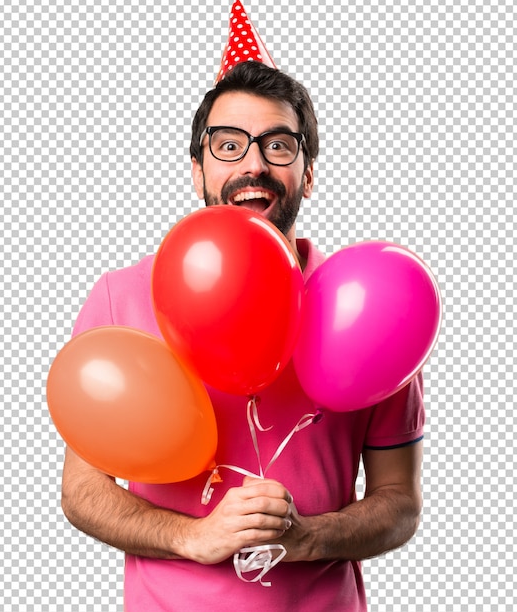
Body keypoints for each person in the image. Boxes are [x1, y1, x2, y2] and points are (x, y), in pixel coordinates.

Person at [60, 59, 425, 611]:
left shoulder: (370, 308)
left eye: (279, 145)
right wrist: (193, 536)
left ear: (308, 172)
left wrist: (309, 538)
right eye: (229, 145)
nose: (254, 164)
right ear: (197, 168)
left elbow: (399, 503)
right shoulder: (122, 296)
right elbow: (82, 492)